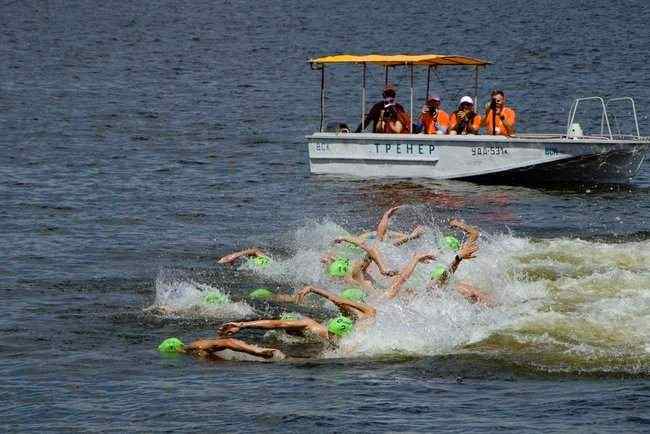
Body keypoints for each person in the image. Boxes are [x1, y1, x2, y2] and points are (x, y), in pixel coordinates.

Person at [220, 285, 377, 346]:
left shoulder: (320, 330)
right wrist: (242, 324)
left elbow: (278, 325)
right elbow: (277, 324)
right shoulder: (359, 330)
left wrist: (242, 325)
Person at [157, 336, 286, 360]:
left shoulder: (195, 346)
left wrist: (257, 353)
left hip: (269, 356)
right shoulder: (192, 353)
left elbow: (227, 342)